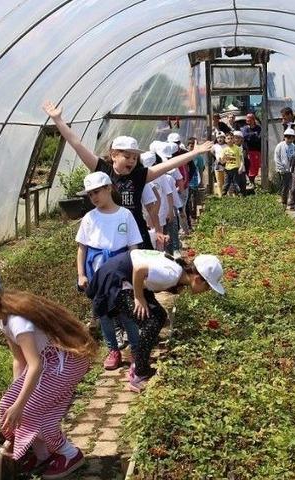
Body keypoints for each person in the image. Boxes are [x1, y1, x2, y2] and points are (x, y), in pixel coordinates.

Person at [0, 269, 97, 478]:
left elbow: (35, 366)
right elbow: (19, 360)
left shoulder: (18, 322)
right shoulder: (2, 319)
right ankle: (42, 455)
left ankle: (69, 454)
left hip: (66, 363)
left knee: (31, 412)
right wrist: (15, 396)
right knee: (7, 405)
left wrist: (22, 403)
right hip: (49, 362)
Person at [42, 101, 211, 248]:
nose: (132, 160)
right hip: (110, 233)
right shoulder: (103, 170)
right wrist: (58, 120)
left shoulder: (138, 176)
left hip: (136, 233)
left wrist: (194, 153)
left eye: (135, 157)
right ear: (114, 154)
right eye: (127, 156)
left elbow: (168, 165)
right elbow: (77, 144)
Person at [86, 251, 225, 392]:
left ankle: (139, 364)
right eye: (208, 286)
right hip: (117, 279)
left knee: (158, 315)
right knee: (151, 322)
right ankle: (139, 373)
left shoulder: (176, 274)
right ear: (198, 279)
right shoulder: (172, 274)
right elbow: (139, 269)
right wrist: (138, 297)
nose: (207, 290)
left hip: (127, 275)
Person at [74, 172, 143, 370]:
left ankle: (137, 349)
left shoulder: (125, 215)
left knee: (125, 311)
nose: (94, 197)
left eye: (97, 192)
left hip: (121, 270)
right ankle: (113, 349)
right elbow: (82, 248)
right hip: (97, 272)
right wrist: (81, 274)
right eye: (90, 194)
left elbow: (133, 247)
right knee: (103, 312)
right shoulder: (89, 218)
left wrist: (134, 273)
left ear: (108, 189)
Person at [273, 128, 295, 208]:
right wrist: (281, 168)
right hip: (283, 170)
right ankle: (284, 201)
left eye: (291, 138)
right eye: (287, 137)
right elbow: (277, 158)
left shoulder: (293, 146)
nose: (289, 139)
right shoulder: (280, 146)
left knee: (292, 187)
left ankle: (291, 202)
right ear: (285, 137)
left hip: (291, 170)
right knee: (284, 186)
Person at [185, 137, 205, 225]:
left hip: (195, 182)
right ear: (187, 146)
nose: (192, 148)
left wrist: (201, 181)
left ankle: (196, 218)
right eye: (191, 146)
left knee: (196, 201)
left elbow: (201, 170)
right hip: (187, 183)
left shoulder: (199, 158)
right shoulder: (184, 157)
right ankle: (189, 218)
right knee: (187, 202)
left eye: (194, 146)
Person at [241, 113, 262, 187]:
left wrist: (250, 136)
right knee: (249, 165)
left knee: (256, 166)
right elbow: (244, 136)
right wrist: (254, 135)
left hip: (257, 150)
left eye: (249, 119)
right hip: (247, 150)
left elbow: (259, 138)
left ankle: (253, 181)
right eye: (247, 119)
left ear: (253, 120)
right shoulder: (244, 128)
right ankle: (250, 181)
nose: (247, 120)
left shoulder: (259, 128)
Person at [221, 131, 245, 196]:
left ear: (234, 139)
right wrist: (224, 158)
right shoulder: (224, 149)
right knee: (226, 183)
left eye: (231, 138)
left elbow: (241, 160)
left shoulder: (237, 148)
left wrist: (241, 167)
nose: (230, 140)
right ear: (225, 140)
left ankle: (239, 194)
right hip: (227, 169)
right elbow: (222, 162)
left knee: (236, 183)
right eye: (228, 138)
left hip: (235, 168)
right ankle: (223, 195)